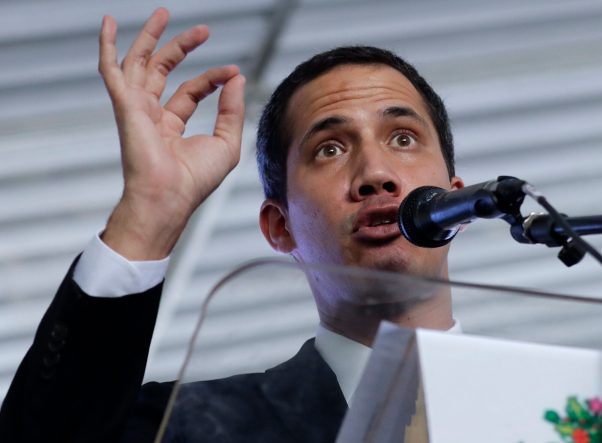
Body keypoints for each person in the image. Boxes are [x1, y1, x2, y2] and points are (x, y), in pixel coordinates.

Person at [0, 7, 463, 443]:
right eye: (330, 148)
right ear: (280, 227)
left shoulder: (535, 403)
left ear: (459, 201)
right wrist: (148, 213)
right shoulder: (188, 426)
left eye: (403, 138)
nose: (375, 174)